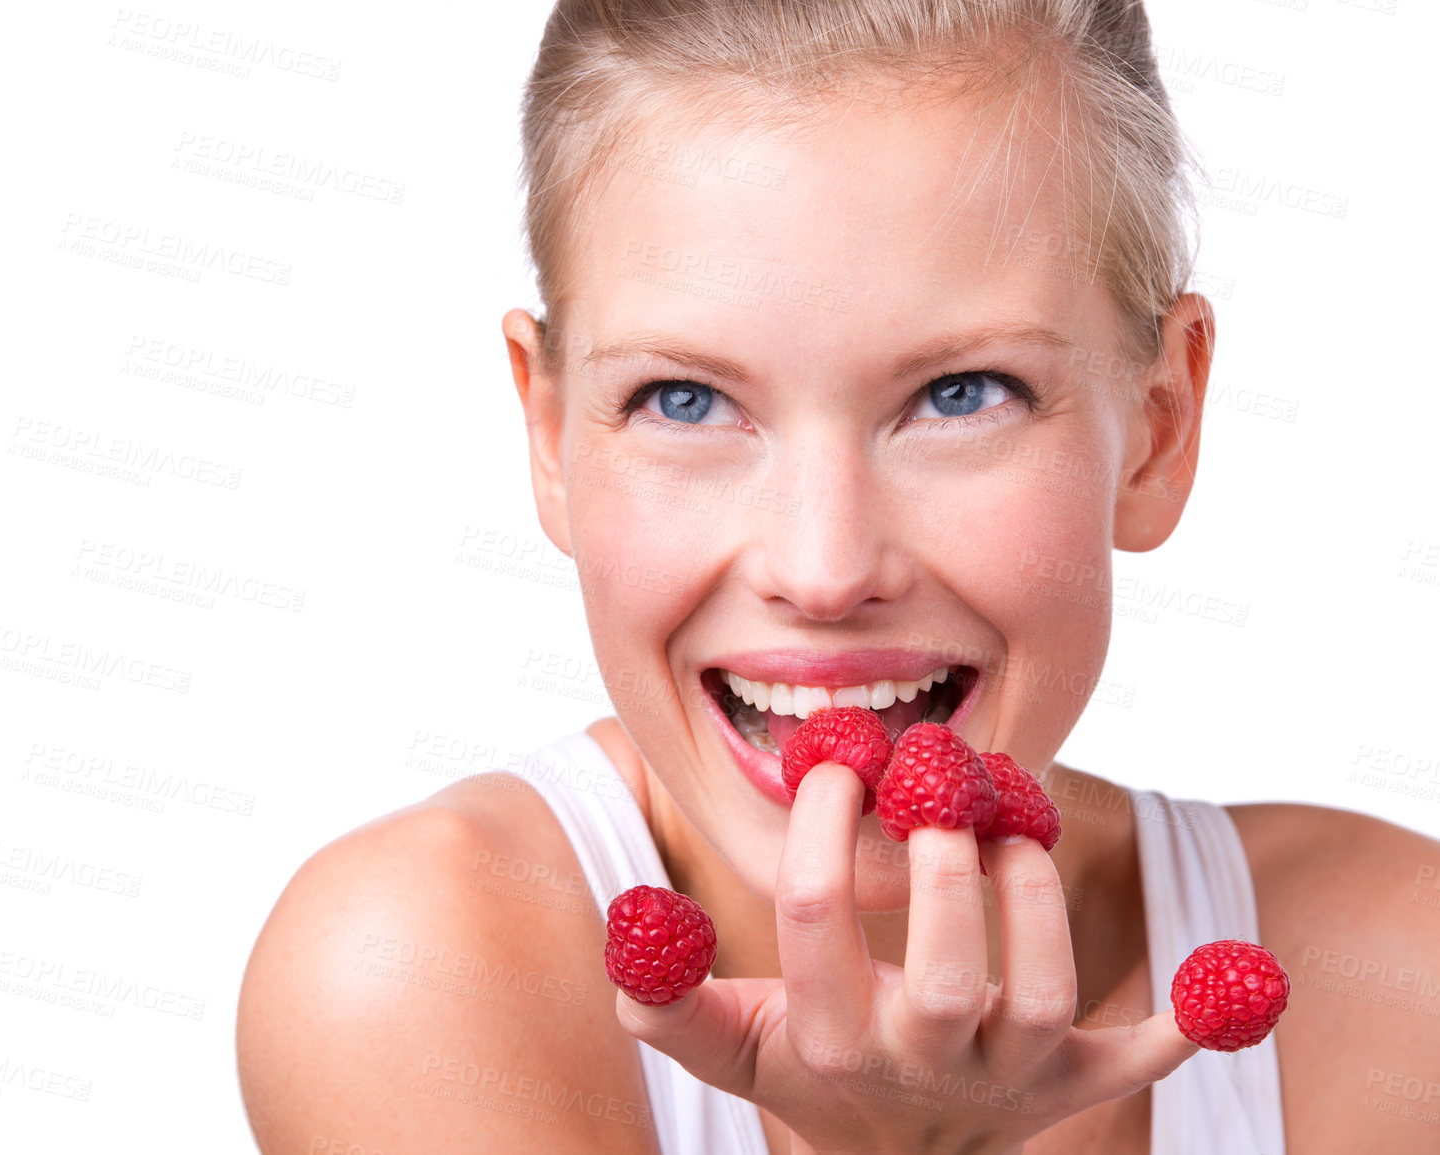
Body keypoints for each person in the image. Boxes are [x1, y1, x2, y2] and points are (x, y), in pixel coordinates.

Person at [236, 1, 1440, 1151]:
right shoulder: (416, 973)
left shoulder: (1399, 979)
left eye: (961, 396)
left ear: (1161, 427)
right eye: (686, 400)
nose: (823, 571)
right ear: (551, 442)